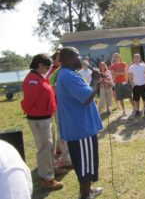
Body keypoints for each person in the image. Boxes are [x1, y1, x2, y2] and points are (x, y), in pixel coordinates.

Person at [55, 47, 103, 199]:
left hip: (79, 128)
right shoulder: (68, 75)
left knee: (83, 163)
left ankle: (87, 191)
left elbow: (84, 93)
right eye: (77, 56)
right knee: (85, 166)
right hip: (82, 130)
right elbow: (87, 97)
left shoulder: (67, 74)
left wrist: (94, 82)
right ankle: (85, 194)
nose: (80, 59)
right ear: (68, 58)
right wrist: (95, 80)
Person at [20, 54, 64, 190]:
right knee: (45, 148)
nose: (48, 69)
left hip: (46, 117)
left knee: (49, 146)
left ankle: (50, 170)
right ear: (39, 65)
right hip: (39, 119)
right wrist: (35, 112)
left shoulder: (40, 77)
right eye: (47, 66)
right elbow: (29, 101)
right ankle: (46, 178)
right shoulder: (33, 80)